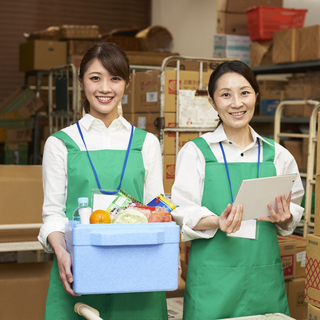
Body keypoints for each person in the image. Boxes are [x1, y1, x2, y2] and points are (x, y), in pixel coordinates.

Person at [38, 43, 168, 320]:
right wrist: (60, 251)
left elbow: (158, 210)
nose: (105, 88)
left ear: (127, 83)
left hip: (138, 272)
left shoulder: (146, 143)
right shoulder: (61, 143)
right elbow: (53, 213)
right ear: (81, 81)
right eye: (95, 78)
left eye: (115, 78)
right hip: (79, 269)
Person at [171, 60, 304, 320]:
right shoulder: (196, 152)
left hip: (263, 280)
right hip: (212, 283)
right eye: (225, 95)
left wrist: (285, 216)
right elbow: (181, 211)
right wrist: (216, 221)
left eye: (244, 92)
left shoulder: (277, 156)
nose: (236, 103)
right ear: (212, 102)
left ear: (256, 95)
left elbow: (293, 210)